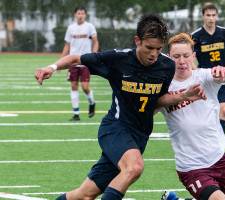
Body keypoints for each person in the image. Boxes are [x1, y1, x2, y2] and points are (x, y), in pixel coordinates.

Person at [35, 15, 206, 200]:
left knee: (84, 195)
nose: (153, 54)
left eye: (158, 49)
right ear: (137, 41)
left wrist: (183, 96)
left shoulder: (166, 66)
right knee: (134, 167)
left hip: (139, 135)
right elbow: (77, 58)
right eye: (149, 48)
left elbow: (155, 102)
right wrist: (51, 68)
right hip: (115, 128)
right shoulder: (118, 59)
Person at [160, 33, 225, 200]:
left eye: (186, 55)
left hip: (217, 158)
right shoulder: (163, 86)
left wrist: (223, 71)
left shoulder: (204, 76)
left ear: (194, 56)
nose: (182, 61)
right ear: (169, 58)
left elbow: (223, 76)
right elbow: (149, 109)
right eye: (176, 56)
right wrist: (182, 96)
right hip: (191, 166)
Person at [191, 2, 225, 133]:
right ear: (203, 16)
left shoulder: (224, 33)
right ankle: (207, 145)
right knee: (207, 115)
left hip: (222, 78)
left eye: (213, 15)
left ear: (217, 16)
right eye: (208, 15)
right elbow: (190, 59)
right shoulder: (195, 36)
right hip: (205, 80)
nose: (211, 18)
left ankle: (221, 149)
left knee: (224, 111)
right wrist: (198, 75)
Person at [62, 6, 99, 121]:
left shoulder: (89, 27)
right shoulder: (71, 28)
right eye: (78, 13)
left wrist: (94, 55)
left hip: (85, 61)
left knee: (85, 87)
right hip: (72, 62)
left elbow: (95, 41)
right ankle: (76, 113)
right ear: (75, 15)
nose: (80, 15)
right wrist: (61, 61)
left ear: (85, 15)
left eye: (82, 13)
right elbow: (67, 45)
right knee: (73, 86)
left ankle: (92, 102)